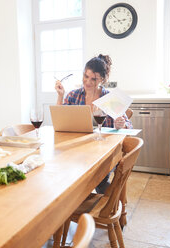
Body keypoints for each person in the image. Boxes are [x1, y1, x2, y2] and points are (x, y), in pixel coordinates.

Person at [55, 54, 132, 193]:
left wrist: (121, 125)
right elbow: (60, 120)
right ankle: (74, 202)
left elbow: (128, 125)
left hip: (104, 153)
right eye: (85, 76)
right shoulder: (73, 95)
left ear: (102, 79)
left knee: (98, 180)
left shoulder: (109, 98)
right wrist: (60, 96)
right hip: (79, 150)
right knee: (63, 171)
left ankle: (106, 203)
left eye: (93, 79)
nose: (88, 82)